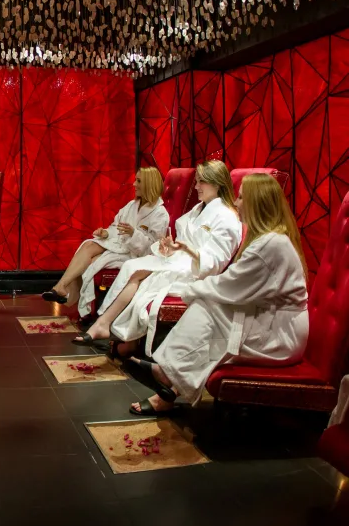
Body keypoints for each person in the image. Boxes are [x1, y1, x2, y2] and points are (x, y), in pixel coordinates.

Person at [126, 174, 308, 415]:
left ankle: (168, 375)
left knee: (205, 305)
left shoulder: (271, 245)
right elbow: (234, 284)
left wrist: (192, 291)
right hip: (269, 322)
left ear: (256, 203)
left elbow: (229, 284)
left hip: (279, 336)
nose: (237, 203)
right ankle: (169, 383)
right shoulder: (268, 239)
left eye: (242, 197)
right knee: (208, 309)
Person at [74, 160, 242, 356]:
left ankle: (109, 327)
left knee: (138, 272)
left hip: (197, 272)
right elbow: (183, 241)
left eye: (201, 182)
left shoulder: (226, 217)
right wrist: (169, 248)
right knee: (133, 266)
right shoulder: (199, 209)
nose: (196, 187)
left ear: (217, 183)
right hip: (180, 260)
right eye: (196, 181)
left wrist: (185, 250)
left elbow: (214, 263)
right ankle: (111, 329)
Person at [42, 167, 169, 321]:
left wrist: (133, 234)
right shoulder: (131, 206)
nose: (134, 184)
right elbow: (116, 227)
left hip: (134, 255)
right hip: (120, 245)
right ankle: (60, 287)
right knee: (88, 245)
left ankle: (79, 303)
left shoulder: (160, 214)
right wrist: (106, 233)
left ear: (149, 184)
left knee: (92, 261)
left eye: (139, 181)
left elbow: (153, 249)